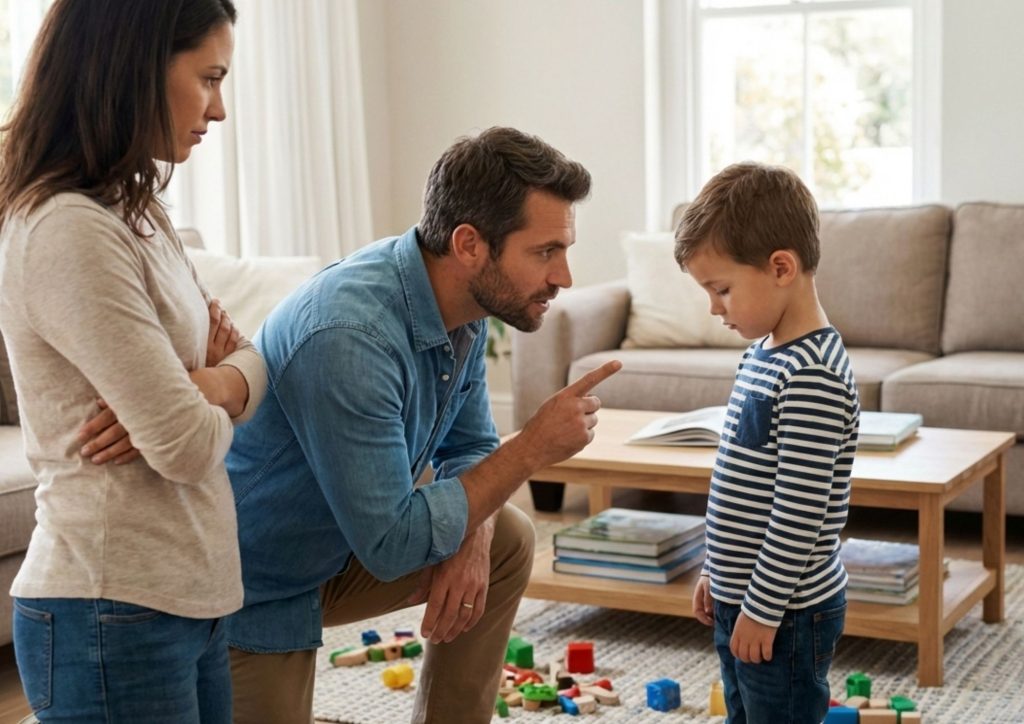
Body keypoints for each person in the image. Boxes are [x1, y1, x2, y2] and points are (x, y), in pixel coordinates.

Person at [224, 126, 621, 723]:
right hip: (253, 584)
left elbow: (472, 445)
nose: (564, 276)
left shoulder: (465, 301)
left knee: (506, 537)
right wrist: (534, 447)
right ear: (469, 245)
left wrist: (473, 539)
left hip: (340, 546)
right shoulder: (350, 337)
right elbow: (392, 547)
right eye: (544, 252)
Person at [0, 1, 266, 721]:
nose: (219, 109)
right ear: (136, 63)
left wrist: (212, 383)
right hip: (109, 609)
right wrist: (212, 397)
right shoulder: (67, 230)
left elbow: (251, 357)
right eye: (208, 78)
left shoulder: (138, 211)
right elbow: (183, 447)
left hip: (189, 593)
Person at [676, 162, 860, 724]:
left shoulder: (813, 375)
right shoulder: (763, 354)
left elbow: (799, 512)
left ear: (782, 267)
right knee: (744, 712)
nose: (714, 307)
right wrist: (718, 570)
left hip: (788, 609)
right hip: (748, 595)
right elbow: (742, 487)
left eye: (722, 289)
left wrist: (761, 607)